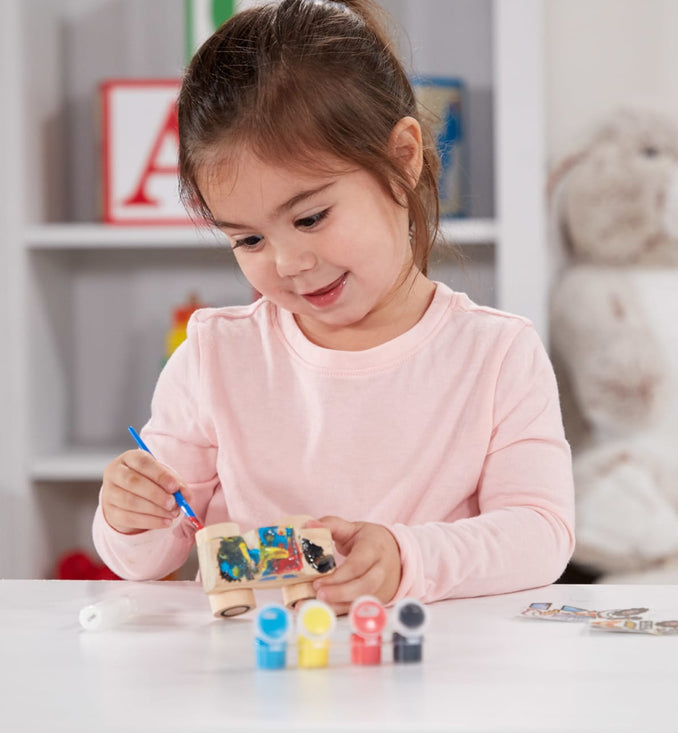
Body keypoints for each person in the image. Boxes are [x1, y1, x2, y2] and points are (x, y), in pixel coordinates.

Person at [94, 0, 574, 614]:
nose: (289, 262)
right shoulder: (215, 355)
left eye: (311, 217)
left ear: (403, 157)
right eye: (248, 238)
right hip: (256, 678)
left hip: (432, 676)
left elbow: (542, 535)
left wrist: (408, 557)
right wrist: (128, 516)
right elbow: (146, 559)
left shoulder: (497, 354)